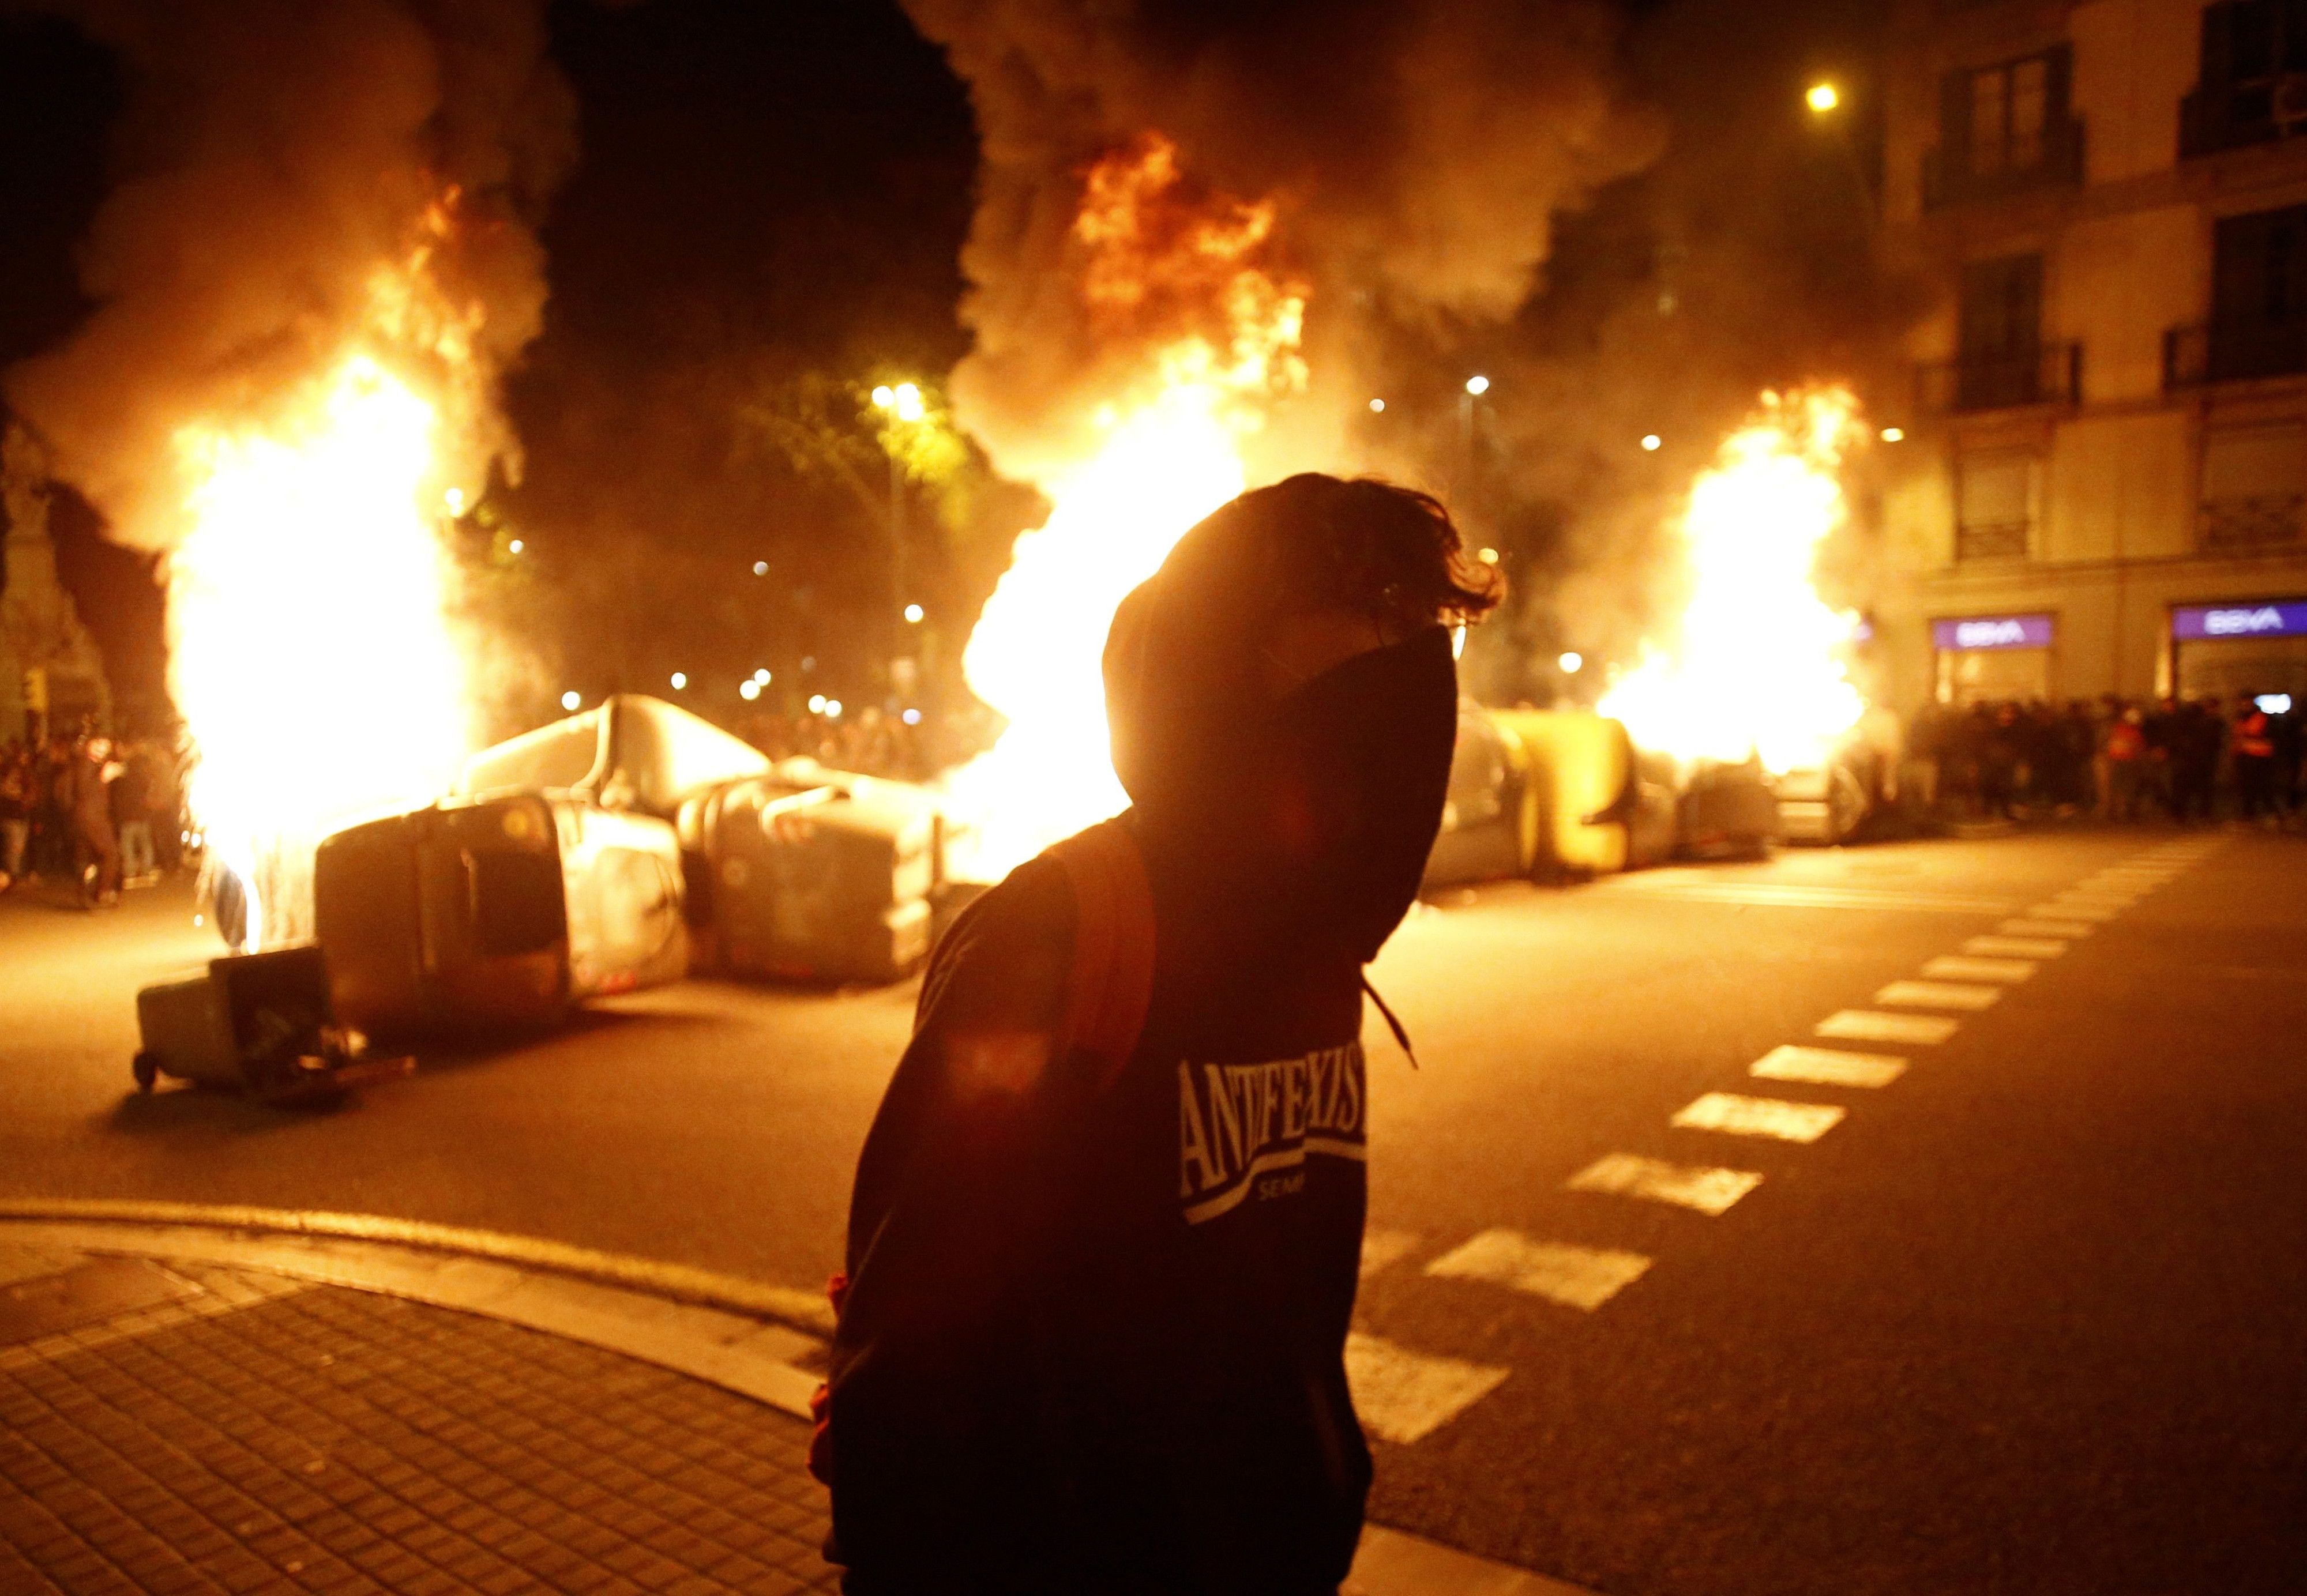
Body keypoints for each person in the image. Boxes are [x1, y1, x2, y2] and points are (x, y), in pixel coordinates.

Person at [820, 475, 1497, 1595]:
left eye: (1418, 630)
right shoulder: (1060, 932)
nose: (1408, 672)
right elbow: (910, 1345)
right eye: (1367, 613)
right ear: (1237, 661)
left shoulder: (1315, 938)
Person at [70, 734, 124, 907]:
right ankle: (103, 892)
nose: (103, 750)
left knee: (89, 856)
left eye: (106, 747)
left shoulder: (93, 764)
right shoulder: (85, 764)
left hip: (90, 817)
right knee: (111, 853)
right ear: (90, 744)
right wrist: (103, 777)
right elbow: (83, 792)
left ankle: (88, 892)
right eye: (99, 744)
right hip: (91, 818)